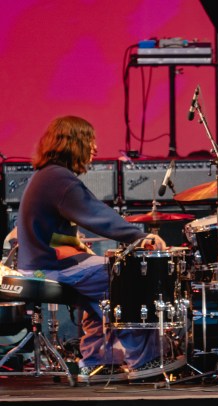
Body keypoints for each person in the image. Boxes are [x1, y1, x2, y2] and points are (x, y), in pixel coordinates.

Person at [16, 116, 177, 383]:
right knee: (123, 277)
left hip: (42, 265)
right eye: (90, 141)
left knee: (99, 288)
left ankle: (100, 361)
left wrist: (78, 246)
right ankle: (144, 360)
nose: (95, 148)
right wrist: (140, 237)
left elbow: (54, 234)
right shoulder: (58, 178)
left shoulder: (48, 176)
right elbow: (97, 215)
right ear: (74, 142)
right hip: (48, 268)